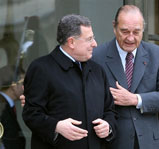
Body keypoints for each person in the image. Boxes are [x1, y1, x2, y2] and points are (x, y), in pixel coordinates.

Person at [22, 14, 117, 149]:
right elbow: (31, 114)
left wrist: (108, 126)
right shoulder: (41, 68)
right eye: (89, 39)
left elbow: (110, 110)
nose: (95, 44)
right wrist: (56, 126)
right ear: (71, 42)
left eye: (93, 38)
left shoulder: (97, 71)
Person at [92, 5, 159, 149]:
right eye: (125, 31)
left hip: (149, 143)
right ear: (114, 27)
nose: (130, 38)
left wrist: (135, 99)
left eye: (136, 32)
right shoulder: (97, 56)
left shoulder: (157, 54)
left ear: (143, 29)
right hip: (113, 142)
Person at [0, 65, 26, 149]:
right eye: (24, 83)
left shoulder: (6, 105)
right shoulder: (2, 107)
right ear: (14, 85)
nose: (26, 86)